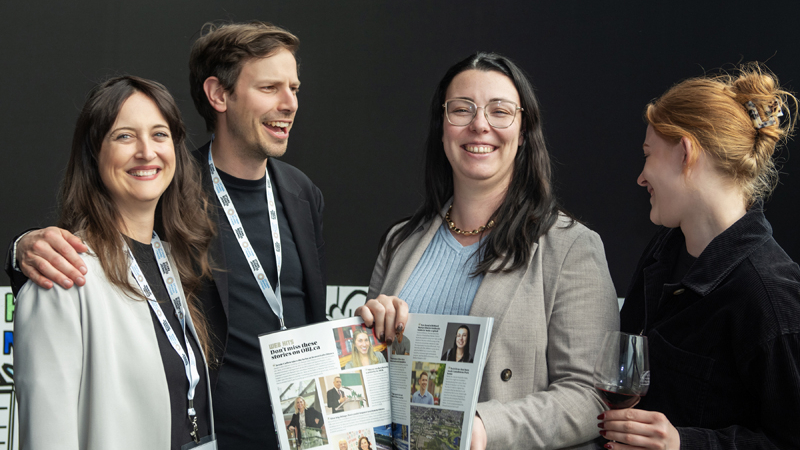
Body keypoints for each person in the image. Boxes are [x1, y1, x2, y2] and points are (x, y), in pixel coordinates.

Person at [5, 22, 328, 450]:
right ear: (218, 95)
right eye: (270, 87)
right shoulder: (169, 192)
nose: (289, 103)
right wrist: (24, 248)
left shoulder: (302, 193)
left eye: (294, 88)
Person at [358, 52, 619, 449]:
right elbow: (374, 378)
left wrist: (481, 427)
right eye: (462, 109)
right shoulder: (400, 241)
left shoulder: (571, 247)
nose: (480, 125)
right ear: (442, 127)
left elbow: (590, 395)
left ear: (524, 128)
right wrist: (369, 338)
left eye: (500, 111)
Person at [599, 65, 800, 449]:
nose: (641, 177)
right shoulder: (662, 252)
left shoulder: (772, 298)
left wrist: (683, 444)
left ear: (685, 153)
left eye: (648, 155)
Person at [14, 76, 217, 449]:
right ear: (95, 154)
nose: (146, 151)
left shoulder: (170, 262)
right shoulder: (64, 274)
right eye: (125, 136)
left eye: (159, 134)